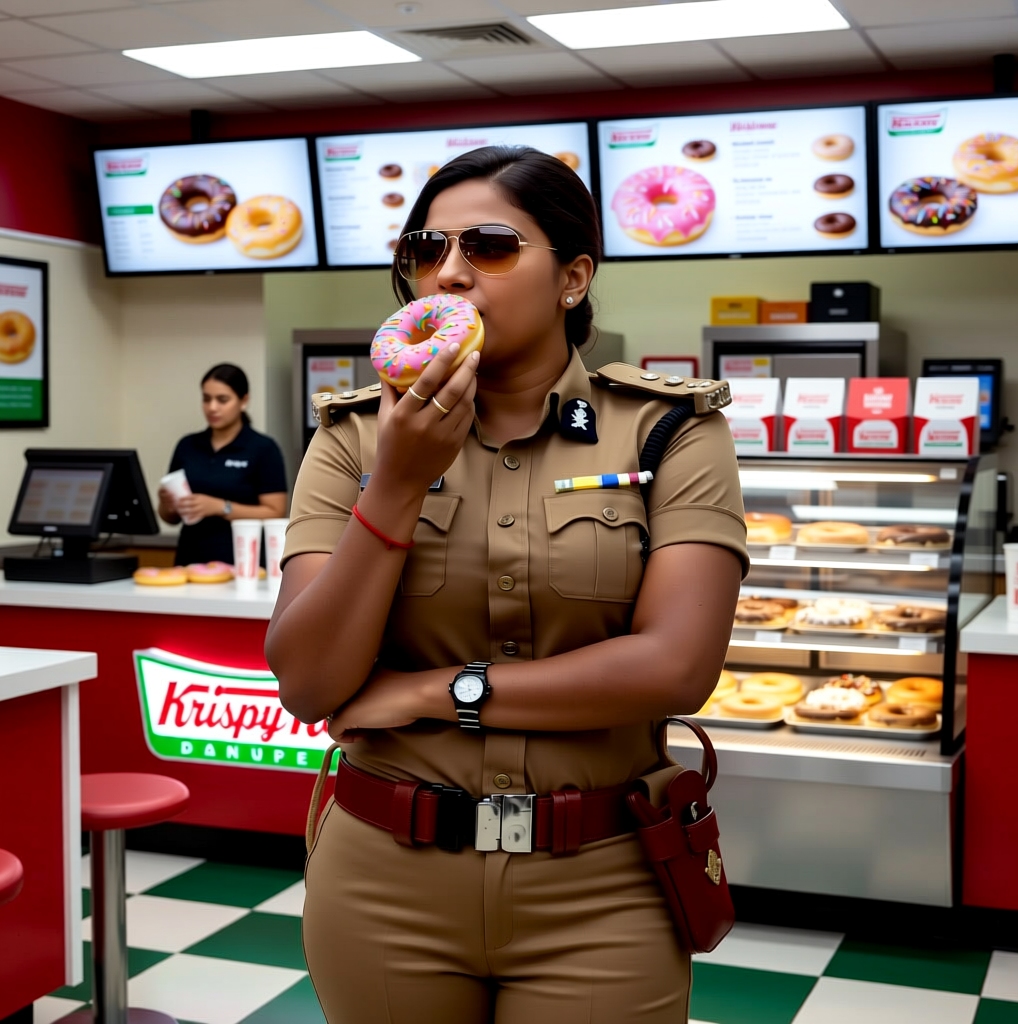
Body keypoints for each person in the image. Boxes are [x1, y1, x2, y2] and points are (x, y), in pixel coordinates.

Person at [265, 146, 747, 1024]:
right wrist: (399, 484)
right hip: (382, 877)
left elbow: (677, 668)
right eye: (425, 248)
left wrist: (432, 691)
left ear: (573, 278)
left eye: (487, 245)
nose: (447, 272)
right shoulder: (354, 441)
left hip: (602, 879)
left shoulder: (667, 434)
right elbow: (307, 680)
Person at [158, 363, 287, 566]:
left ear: (243, 400)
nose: (212, 407)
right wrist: (167, 505)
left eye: (222, 400)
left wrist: (221, 507)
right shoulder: (187, 445)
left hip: (241, 562)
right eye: (206, 399)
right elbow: (170, 518)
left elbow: (275, 511)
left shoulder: (263, 448)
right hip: (191, 560)